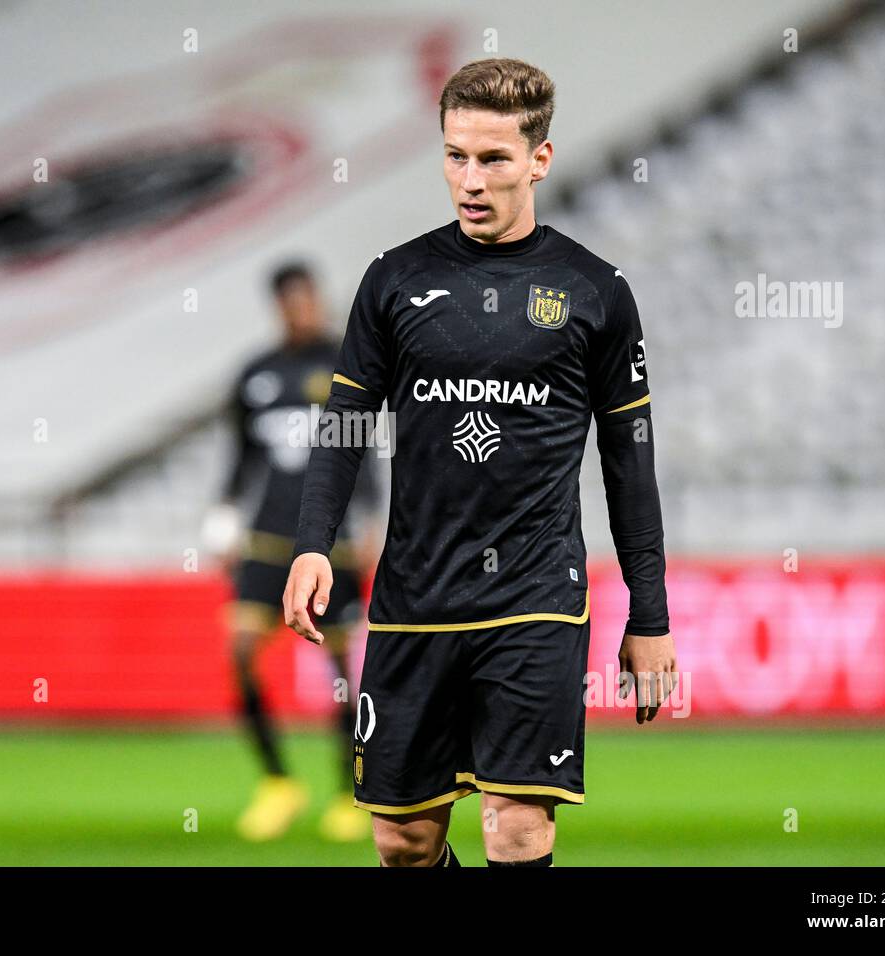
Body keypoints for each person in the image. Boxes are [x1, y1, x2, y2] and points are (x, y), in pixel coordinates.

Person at [283, 58, 678, 867]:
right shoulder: (395, 279)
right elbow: (347, 419)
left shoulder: (592, 291)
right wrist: (313, 541)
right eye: (455, 155)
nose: (470, 178)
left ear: (540, 159)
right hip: (414, 596)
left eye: (493, 158)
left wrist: (651, 614)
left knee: (518, 827)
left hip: (534, 597)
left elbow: (628, 460)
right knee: (403, 841)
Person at [204, 261, 380, 842]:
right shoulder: (254, 374)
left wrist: (374, 516)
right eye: (292, 302)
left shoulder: (345, 365)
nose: (303, 310)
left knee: (337, 668)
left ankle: (349, 788)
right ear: (279, 306)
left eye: (309, 300)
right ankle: (279, 782)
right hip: (266, 537)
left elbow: (365, 448)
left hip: (329, 543)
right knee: (240, 651)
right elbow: (241, 456)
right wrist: (225, 514)